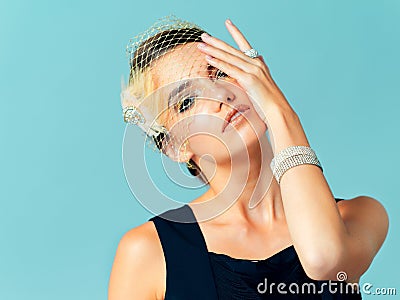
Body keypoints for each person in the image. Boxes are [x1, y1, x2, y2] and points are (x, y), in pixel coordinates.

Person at [108, 16, 389, 299]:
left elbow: (323, 259)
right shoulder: (147, 251)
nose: (220, 94)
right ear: (175, 147)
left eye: (220, 72)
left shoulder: (357, 216)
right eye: (187, 102)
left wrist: (278, 109)